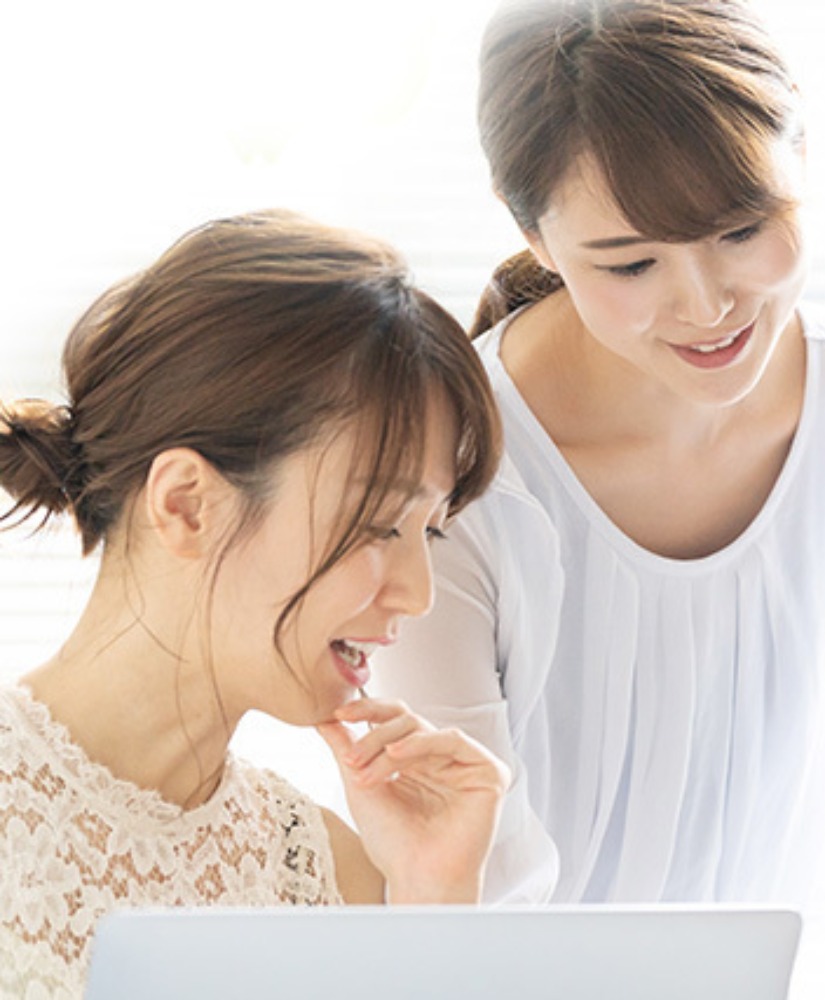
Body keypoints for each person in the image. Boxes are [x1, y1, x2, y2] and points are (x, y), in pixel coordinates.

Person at [374, 0, 825, 904]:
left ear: (802, 154)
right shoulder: (447, 469)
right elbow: (458, 875)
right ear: (534, 237)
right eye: (632, 265)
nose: (706, 305)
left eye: (741, 231)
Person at [0, 210, 509, 998]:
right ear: (187, 505)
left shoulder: (330, 875)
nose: (418, 593)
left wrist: (435, 899)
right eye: (379, 523)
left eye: (430, 532)